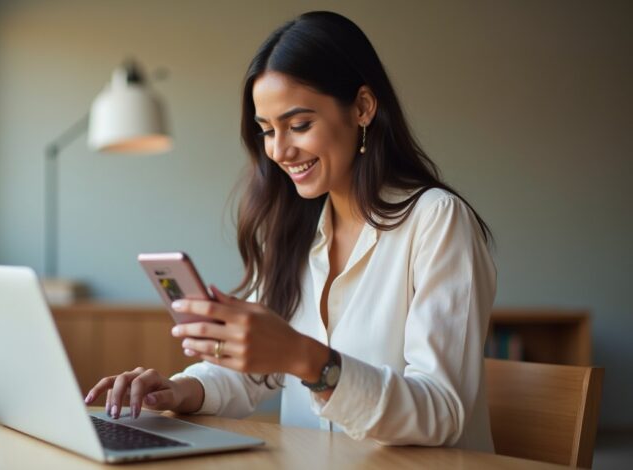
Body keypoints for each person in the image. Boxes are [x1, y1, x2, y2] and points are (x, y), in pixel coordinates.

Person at [85, 10, 496, 452]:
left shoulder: (437, 220)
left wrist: (307, 359)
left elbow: (440, 414)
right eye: (267, 130)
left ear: (362, 107)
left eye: (299, 125)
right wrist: (179, 390)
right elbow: (253, 377)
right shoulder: (294, 228)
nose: (280, 150)